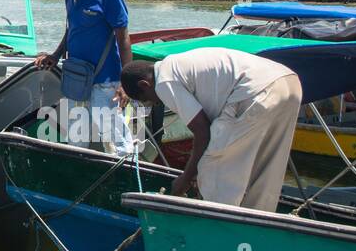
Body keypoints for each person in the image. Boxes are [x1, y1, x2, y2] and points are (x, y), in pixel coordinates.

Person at [119, 48, 303, 211]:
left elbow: (202, 132)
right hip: (288, 81)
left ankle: (216, 226)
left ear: (145, 85)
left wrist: (186, 178)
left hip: (256, 90)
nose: (157, 103)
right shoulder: (176, 63)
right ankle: (258, 227)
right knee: (265, 167)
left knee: (212, 165)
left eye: (149, 100)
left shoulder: (164, 82)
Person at [33, 0, 133, 153]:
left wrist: (126, 81)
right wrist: (56, 55)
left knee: (117, 140)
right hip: (77, 76)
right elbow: (72, 27)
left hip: (106, 80)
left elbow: (123, 37)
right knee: (77, 140)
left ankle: (128, 177)